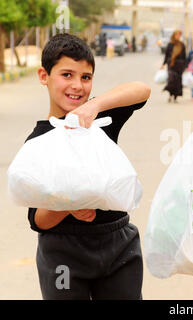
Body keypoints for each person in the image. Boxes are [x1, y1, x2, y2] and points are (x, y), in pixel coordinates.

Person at [26, 33, 151, 300]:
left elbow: (142, 90)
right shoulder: (38, 142)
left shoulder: (100, 120)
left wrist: (94, 106)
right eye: (67, 75)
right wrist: (67, 205)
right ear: (43, 76)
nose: (78, 86)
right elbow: (37, 219)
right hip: (62, 253)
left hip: (119, 247)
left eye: (86, 77)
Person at [162, 30, 186, 103]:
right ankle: (170, 95)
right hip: (171, 65)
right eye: (177, 35)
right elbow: (166, 55)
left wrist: (185, 66)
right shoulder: (170, 44)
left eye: (179, 35)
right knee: (171, 80)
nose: (178, 36)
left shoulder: (182, 44)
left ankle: (175, 97)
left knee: (178, 82)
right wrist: (163, 64)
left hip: (179, 66)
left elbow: (184, 56)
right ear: (174, 35)